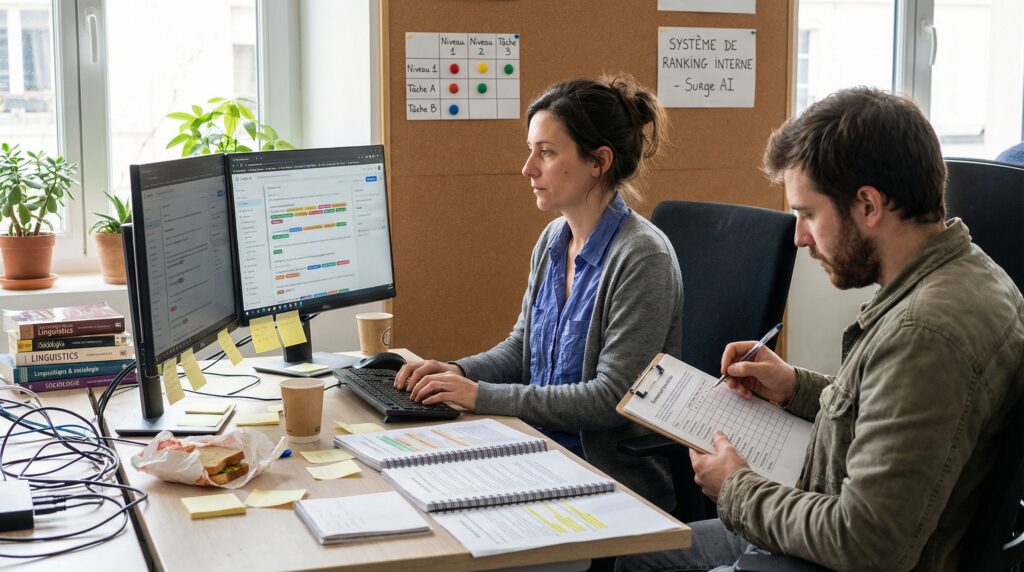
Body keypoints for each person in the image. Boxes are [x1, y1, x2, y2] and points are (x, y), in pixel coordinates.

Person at [619, 87, 1024, 571]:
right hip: (814, 531)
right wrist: (795, 386)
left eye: (808, 214)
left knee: (635, 559)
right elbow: (887, 409)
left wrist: (735, 487)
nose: (799, 237)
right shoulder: (965, 272)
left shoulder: (926, 334)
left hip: (822, 560)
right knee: (640, 550)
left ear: (869, 205)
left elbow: (866, 542)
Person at [393, 75, 684, 509]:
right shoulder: (554, 238)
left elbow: (609, 399)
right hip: (538, 453)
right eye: (531, 150)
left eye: (546, 153)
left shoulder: (643, 258)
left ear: (598, 161)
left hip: (605, 477)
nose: (528, 168)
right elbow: (521, 348)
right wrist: (458, 371)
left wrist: (480, 396)